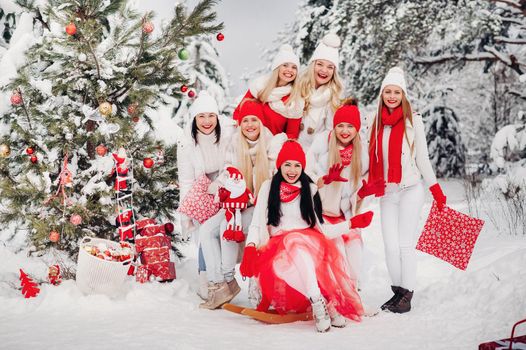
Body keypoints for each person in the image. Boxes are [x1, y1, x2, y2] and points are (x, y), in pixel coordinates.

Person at [240, 140, 373, 333]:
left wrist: (352, 223)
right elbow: (256, 223)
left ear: (302, 167)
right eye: (287, 164)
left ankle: (319, 302)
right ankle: (321, 301)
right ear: (279, 166)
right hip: (278, 249)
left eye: (297, 165)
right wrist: (251, 246)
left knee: (303, 248)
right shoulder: (268, 188)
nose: (292, 170)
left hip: (308, 243)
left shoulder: (309, 189)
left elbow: (323, 228)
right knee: (295, 247)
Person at [363, 67, 447, 314]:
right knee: (389, 245)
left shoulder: (413, 121)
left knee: (404, 244)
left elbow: (422, 157)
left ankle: (407, 293)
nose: (391, 96)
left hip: (411, 188)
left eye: (396, 92)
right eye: (387, 91)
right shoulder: (373, 121)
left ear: (403, 95)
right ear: (382, 94)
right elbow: (367, 158)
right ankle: (398, 291)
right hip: (386, 191)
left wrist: (436, 189)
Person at [176, 90, 237, 308]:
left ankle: (226, 277)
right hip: (200, 190)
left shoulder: (229, 133)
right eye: (201, 117)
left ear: (218, 117)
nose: (207, 121)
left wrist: (218, 186)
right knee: (203, 233)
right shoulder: (185, 143)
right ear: (194, 119)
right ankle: (207, 278)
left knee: (221, 233)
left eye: (211, 116)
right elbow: (185, 180)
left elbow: (233, 164)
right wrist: (187, 212)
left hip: (226, 186)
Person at [306, 98, 374, 286]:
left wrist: (363, 192)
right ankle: (329, 292)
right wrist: (323, 181)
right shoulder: (321, 143)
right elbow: (306, 174)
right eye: (341, 126)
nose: (345, 131)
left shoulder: (362, 153)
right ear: (334, 127)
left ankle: (352, 291)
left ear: (357, 129)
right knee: (334, 253)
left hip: (345, 214)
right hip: (320, 214)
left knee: (354, 248)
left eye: (350, 126)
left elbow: (362, 186)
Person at [233, 44, 303, 139]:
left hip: (272, 148)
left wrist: (276, 144)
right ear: (277, 67)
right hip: (248, 142)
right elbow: (238, 114)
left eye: (294, 67)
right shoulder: (259, 87)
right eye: (285, 65)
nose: (289, 70)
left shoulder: (295, 101)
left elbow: (292, 135)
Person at [297, 33, 344, 150]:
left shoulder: (333, 98)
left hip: (315, 156)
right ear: (313, 65)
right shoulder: (298, 88)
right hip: (291, 156)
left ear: (334, 71)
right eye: (320, 64)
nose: (324, 70)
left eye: (330, 67)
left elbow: (330, 133)